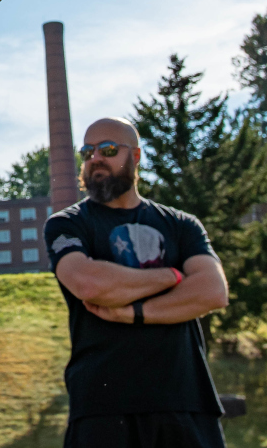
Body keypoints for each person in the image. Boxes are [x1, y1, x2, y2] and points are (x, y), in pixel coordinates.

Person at [44, 116, 231, 448]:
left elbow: (212, 292)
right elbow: (90, 285)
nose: (95, 159)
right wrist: (171, 275)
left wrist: (134, 312)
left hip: (186, 403)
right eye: (87, 152)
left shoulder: (181, 225)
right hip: (102, 410)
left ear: (137, 156)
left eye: (108, 149)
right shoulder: (67, 225)